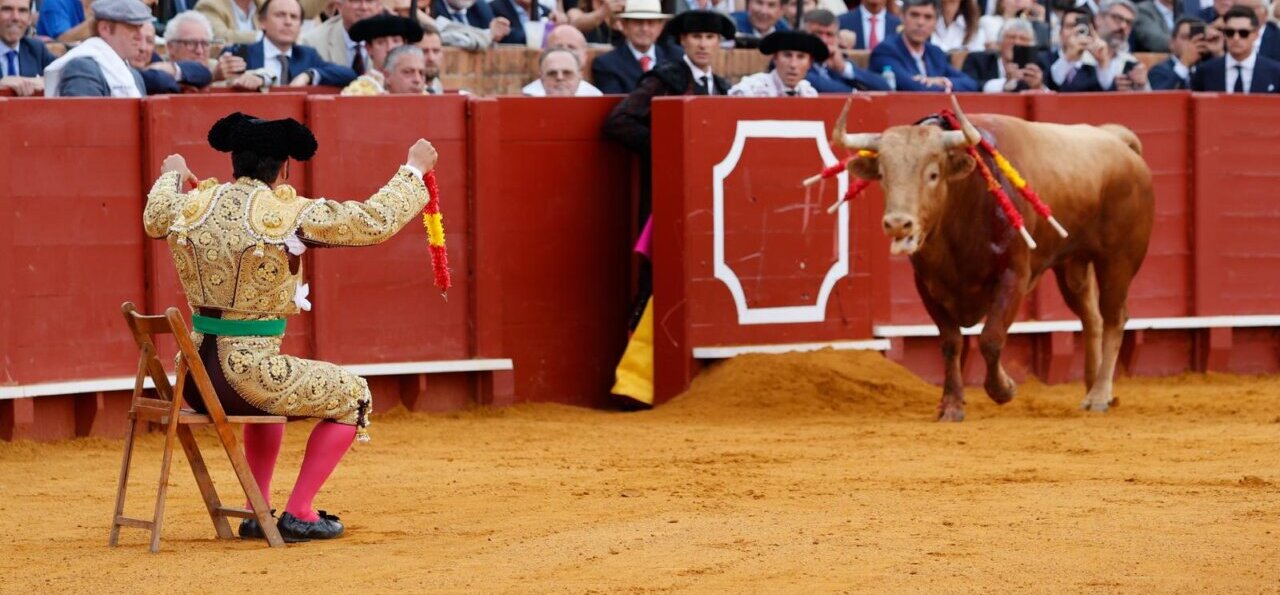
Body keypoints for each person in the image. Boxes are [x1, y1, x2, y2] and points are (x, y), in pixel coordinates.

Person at [143, 112, 439, 540]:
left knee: (276, 402)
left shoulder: (192, 204)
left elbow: (156, 216)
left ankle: (255, 509)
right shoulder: (286, 213)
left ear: (235, 161)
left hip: (194, 378)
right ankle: (299, 511)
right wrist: (413, 170)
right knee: (352, 394)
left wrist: (171, 174)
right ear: (284, 167)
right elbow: (373, 222)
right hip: (248, 376)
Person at [603, 9, 734, 407]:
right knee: (655, 282)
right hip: (666, 201)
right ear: (682, 41)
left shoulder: (723, 87)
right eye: (696, 37)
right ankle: (635, 386)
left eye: (710, 37)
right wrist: (671, 151)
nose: (703, 44)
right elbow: (619, 122)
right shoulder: (665, 79)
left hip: (710, 208)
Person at [220, 0, 357, 90]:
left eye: (294, 17)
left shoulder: (307, 55)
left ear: (300, 26)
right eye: (280, 15)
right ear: (262, 21)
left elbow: (349, 75)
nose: (288, 22)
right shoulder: (241, 53)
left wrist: (309, 75)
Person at [43, 0, 150, 97]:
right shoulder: (82, 68)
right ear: (105, 29)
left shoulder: (134, 75)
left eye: (140, 27)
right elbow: (82, 118)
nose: (140, 36)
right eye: (131, 26)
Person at [868, 0, 978, 91]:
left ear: (935, 21)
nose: (920, 22)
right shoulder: (886, 50)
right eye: (914, 15)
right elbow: (913, 87)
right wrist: (938, 85)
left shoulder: (935, 52)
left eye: (928, 17)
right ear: (902, 16)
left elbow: (971, 84)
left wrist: (942, 81)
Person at [590, 0, 680, 94]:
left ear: (660, 27)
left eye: (651, 23)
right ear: (624, 26)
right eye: (638, 22)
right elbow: (615, 104)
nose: (645, 29)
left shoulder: (675, 56)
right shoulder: (607, 64)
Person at [1191, 5, 1280, 92]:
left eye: (1243, 33)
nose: (1236, 38)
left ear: (1256, 35)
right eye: (1230, 32)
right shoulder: (1205, 72)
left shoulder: (1275, 73)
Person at [802, 8, 890, 91]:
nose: (824, 40)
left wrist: (843, 68)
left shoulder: (842, 63)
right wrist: (854, 93)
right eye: (817, 34)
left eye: (829, 35)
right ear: (804, 35)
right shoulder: (796, 62)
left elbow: (885, 88)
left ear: (837, 38)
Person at [339, 12, 422, 93]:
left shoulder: (418, 88)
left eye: (396, 41)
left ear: (405, 45)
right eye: (381, 42)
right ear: (369, 48)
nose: (390, 48)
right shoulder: (357, 93)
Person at [729, 29, 824, 95]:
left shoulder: (808, 93)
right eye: (787, 55)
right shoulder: (750, 89)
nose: (793, 64)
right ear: (775, 58)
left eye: (801, 57)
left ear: (810, 63)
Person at [962, 17, 1045, 91]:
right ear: (999, 43)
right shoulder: (978, 61)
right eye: (1011, 37)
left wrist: (1038, 86)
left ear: (1032, 46)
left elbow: (1054, 93)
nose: (1016, 42)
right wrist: (1005, 83)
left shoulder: (1041, 65)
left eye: (1023, 39)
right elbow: (970, 86)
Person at [299, 0, 383, 73]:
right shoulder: (311, 43)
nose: (364, 7)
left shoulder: (392, 39)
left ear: (379, 6)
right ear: (339, 6)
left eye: (370, 0)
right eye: (356, 1)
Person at [523, 23, 603, 94]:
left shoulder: (594, 95)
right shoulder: (528, 96)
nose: (560, 77)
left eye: (571, 47)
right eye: (558, 47)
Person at [1, 0, 56, 96]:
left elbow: (62, 76)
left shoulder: (36, 49)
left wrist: (37, 82)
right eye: (7, 9)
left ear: (30, 18)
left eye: (22, 11)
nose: (15, 17)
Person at [1149, 16, 1207, 89]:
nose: (1191, 43)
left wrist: (1218, 54)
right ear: (1172, 43)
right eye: (1185, 37)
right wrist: (1184, 64)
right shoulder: (1158, 71)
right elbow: (1162, 98)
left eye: (1197, 38)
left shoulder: (1207, 69)